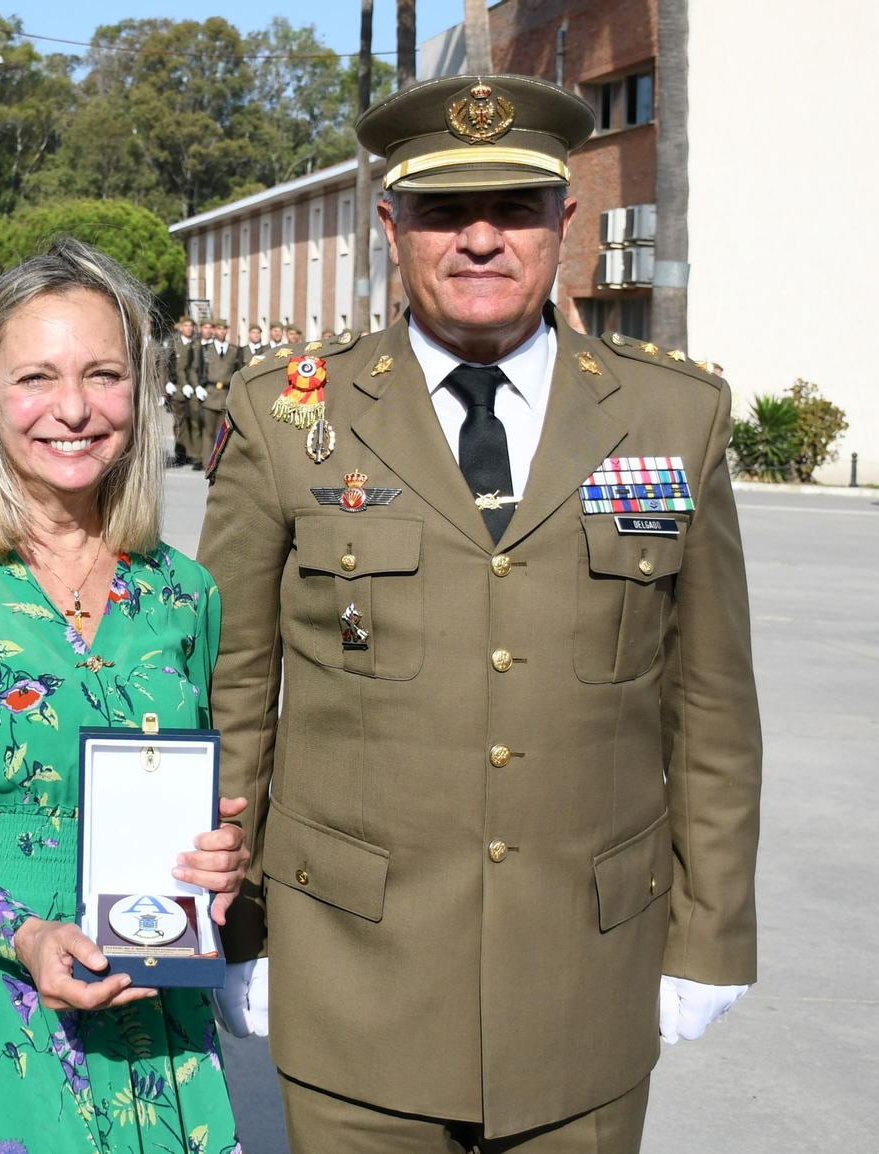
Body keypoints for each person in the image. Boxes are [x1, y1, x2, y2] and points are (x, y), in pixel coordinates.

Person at [199, 74, 762, 1154]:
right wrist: (236, 926)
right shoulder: (283, 416)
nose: (480, 239)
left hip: (585, 979)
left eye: (512, 207)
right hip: (351, 973)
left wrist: (711, 933)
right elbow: (228, 691)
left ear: (565, 221)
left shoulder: (667, 416)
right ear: (390, 226)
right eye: (444, 211)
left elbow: (713, 709)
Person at [0, 238, 247, 1152]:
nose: (73, 409)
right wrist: (21, 933)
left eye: (105, 374)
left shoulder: (184, 593)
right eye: (36, 377)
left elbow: (186, 787)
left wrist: (220, 858)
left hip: (151, 1012)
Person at [200, 317, 244, 462]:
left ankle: (219, 461)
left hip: (226, 394)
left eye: (224, 329)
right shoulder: (207, 349)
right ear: (214, 330)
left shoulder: (234, 350)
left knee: (223, 431)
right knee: (208, 431)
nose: (222, 331)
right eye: (219, 328)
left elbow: (237, 371)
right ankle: (207, 461)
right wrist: (199, 386)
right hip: (210, 393)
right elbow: (200, 369)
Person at [165, 316, 201, 467]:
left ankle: (194, 454)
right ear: (180, 328)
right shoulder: (174, 345)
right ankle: (180, 453)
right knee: (179, 423)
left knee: (194, 422)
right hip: (178, 388)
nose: (189, 328)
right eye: (186, 325)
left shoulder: (198, 345)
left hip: (193, 389)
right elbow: (166, 365)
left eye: (191, 326)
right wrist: (166, 384)